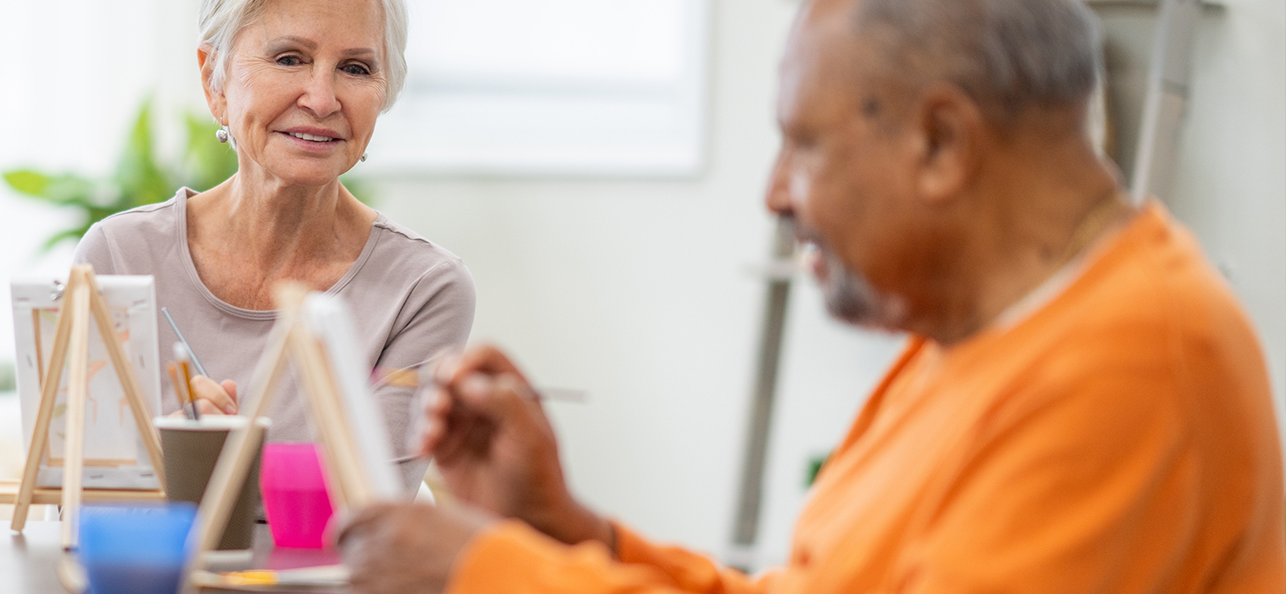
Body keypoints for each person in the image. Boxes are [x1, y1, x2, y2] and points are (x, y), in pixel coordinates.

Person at [337, 0, 1285, 591]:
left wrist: (487, 575)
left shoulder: (1130, 363)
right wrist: (567, 529)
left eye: (806, 144)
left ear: (941, 143)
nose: (776, 192)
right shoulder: (973, 336)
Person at [75, 0, 473, 486]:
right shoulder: (120, 256)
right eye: (289, 59)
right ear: (213, 81)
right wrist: (164, 464)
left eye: (355, 68)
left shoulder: (422, 290)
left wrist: (183, 472)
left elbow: (372, 516)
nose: (323, 100)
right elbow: (77, 500)